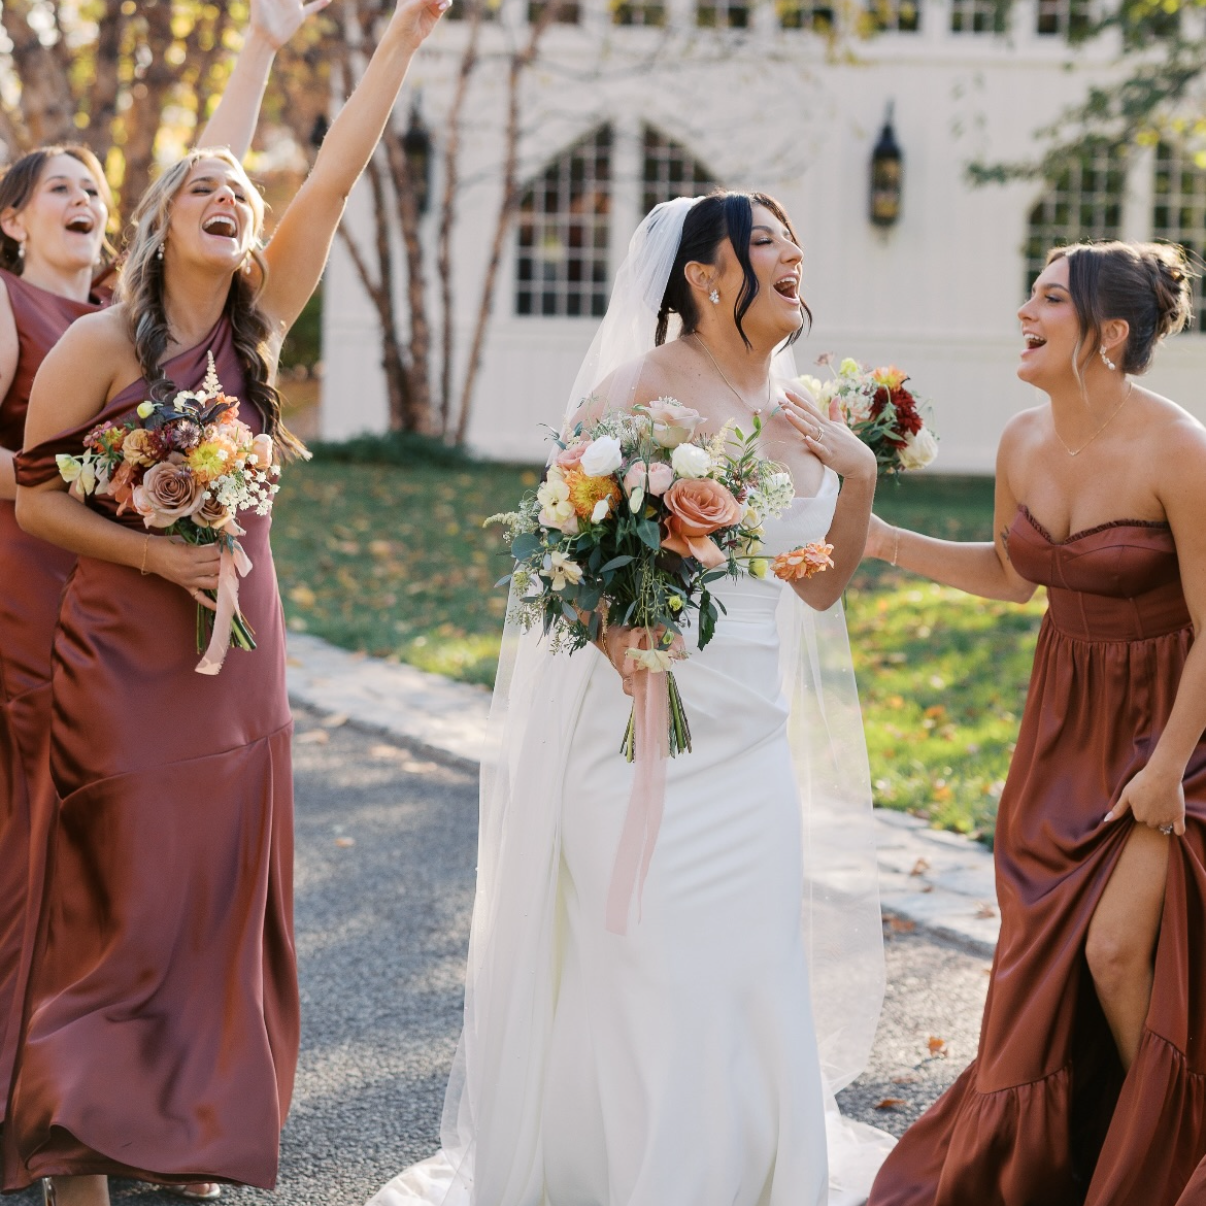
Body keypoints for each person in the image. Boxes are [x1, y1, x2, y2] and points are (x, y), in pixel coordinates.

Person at [5, 0, 447, 1202]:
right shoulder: (98, 344)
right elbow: (38, 503)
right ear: (160, 225)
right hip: (120, 654)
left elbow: (341, 173)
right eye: (202, 183)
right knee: (121, 889)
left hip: (239, 657)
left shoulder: (258, 333)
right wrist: (161, 559)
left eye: (240, 195)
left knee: (212, 892)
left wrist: (400, 41)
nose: (227, 194)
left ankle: (189, 1125)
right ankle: (77, 1144)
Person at [370, 192, 893, 1206]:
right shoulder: (639, 388)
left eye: (797, 242)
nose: (796, 257)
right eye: (770, 243)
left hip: (751, 743)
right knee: (652, 964)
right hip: (636, 734)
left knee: (746, 967)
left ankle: (753, 1177)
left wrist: (861, 477)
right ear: (707, 276)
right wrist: (616, 633)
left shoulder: (807, 412)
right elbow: (560, 548)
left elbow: (820, 585)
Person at [864, 241, 1206, 1206]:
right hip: (1063, 733)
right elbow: (1016, 579)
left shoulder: (1182, 450)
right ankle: (1101, 1155)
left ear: (1109, 335)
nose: (1025, 310)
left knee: (1111, 948)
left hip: (1176, 730)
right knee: (1049, 974)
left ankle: (1178, 1161)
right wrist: (884, 541)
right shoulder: (1022, 440)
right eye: (1032, 292)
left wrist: (1168, 767)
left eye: (1049, 298)